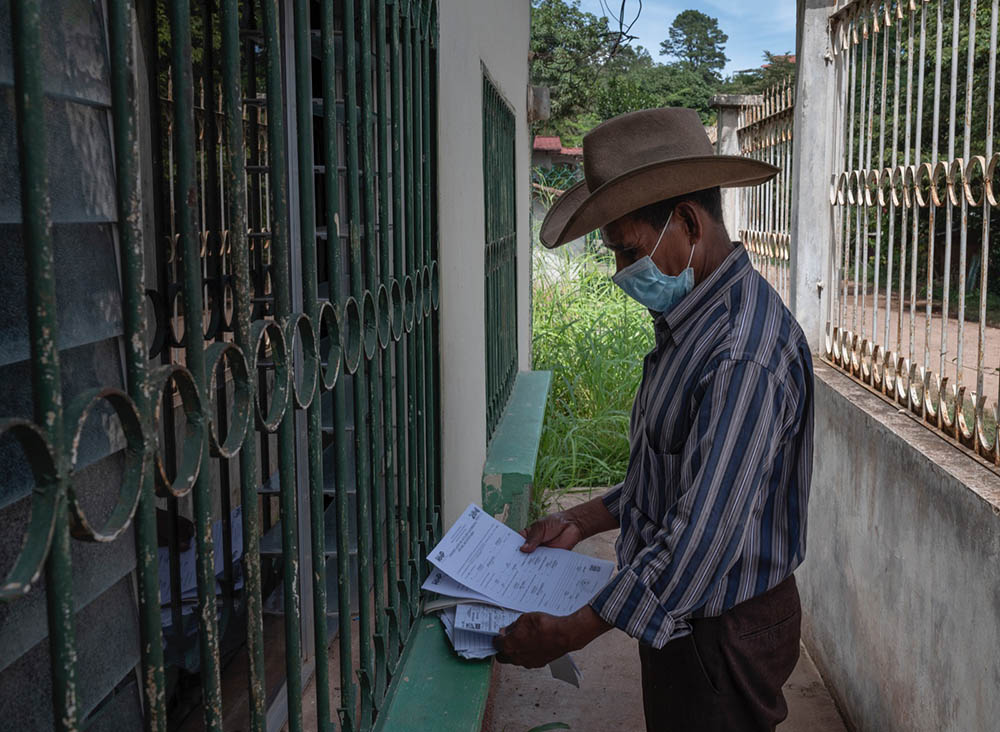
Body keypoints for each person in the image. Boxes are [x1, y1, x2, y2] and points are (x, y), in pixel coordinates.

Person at [493, 107, 814, 732]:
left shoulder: (740, 355)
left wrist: (573, 630)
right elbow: (674, 472)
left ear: (688, 222)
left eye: (628, 251)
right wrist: (583, 519)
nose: (620, 275)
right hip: (687, 622)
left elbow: (701, 536)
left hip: (724, 631)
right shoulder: (689, 323)